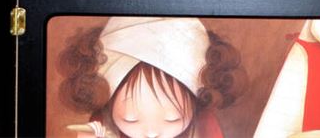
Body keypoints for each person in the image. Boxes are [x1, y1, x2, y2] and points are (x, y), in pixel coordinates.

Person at [58, 16, 244, 138]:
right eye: (131, 119)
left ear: (196, 104)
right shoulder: (102, 126)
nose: (152, 133)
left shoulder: (204, 128)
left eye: (172, 119)